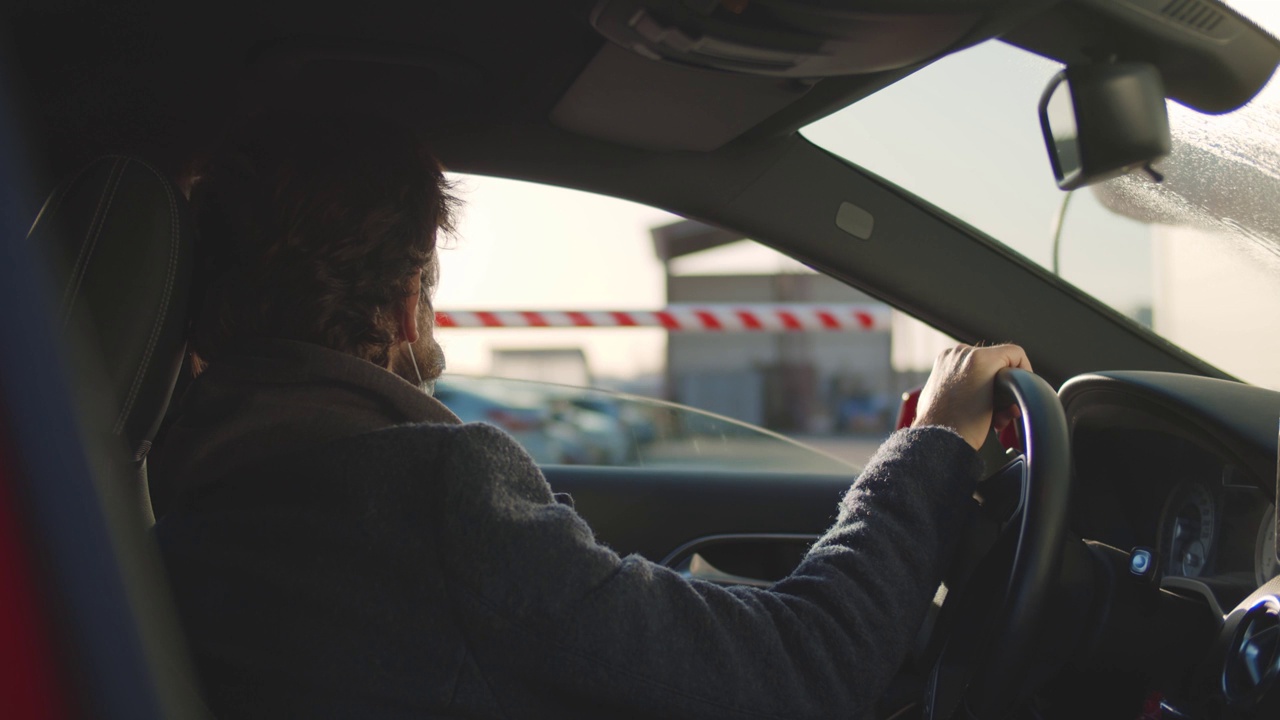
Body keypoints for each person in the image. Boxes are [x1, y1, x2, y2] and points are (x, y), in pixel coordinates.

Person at [151, 112, 1030, 720]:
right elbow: (804, 672)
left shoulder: (187, 480)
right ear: (401, 306)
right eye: (433, 285)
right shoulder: (428, 493)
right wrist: (932, 445)